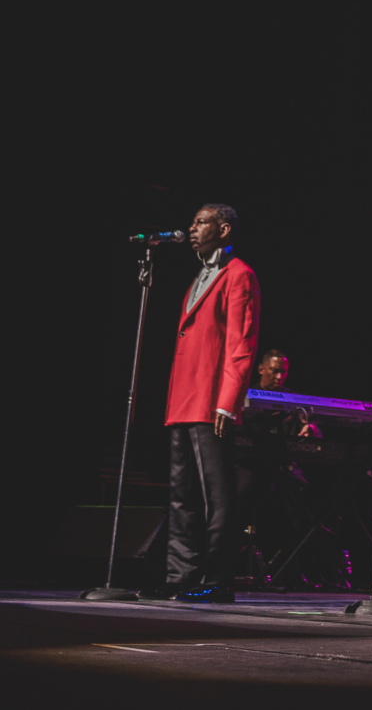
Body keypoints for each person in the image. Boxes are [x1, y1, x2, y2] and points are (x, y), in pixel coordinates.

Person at [152, 203, 260, 604]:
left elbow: (241, 343)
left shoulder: (239, 274)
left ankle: (217, 579)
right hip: (183, 399)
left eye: (201, 222)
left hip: (211, 401)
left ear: (224, 228)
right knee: (182, 495)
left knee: (218, 497)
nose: (192, 229)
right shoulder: (201, 275)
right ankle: (179, 576)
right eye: (194, 223)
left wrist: (227, 402)